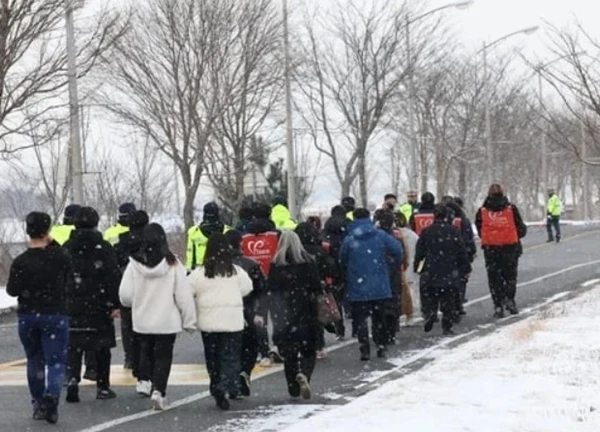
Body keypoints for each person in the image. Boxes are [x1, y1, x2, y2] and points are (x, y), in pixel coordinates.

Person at [119, 223, 196, 411]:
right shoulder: (173, 264)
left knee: (146, 352)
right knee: (163, 356)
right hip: (166, 321)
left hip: (142, 320)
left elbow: (125, 295)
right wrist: (189, 321)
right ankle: (159, 390)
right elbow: (183, 295)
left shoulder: (134, 264)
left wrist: (136, 303)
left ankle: (145, 381)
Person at [7, 212, 71, 424]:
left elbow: (12, 290)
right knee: (56, 361)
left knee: (34, 360)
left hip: (28, 315)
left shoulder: (20, 261)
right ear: (47, 231)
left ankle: (38, 403)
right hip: (55, 313)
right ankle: (52, 395)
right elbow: (70, 270)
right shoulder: (60, 257)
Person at [63, 207, 121, 403]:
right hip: (99, 303)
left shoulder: (67, 247)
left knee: (73, 344)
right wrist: (114, 303)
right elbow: (113, 276)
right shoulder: (104, 248)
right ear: (96, 223)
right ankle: (103, 386)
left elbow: (61, 276)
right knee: (102, 346)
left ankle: (72, 379)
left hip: (73, 303)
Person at [189, 233, 253, 410]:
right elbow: (248, 287)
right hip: (232, 321)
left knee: (213, 357)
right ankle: (227, 384)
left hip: (209, 322)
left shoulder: (200, 273)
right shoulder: (235, 271)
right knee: (230, 356)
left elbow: (188, 289)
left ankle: (216, 384)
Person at [259, 231, 321, 399]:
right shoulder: (308, 262)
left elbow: (270, 290)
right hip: (306, 311)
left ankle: (293, 386)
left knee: (289, 353)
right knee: (309, 350)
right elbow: (317, 287)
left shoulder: (276, 265)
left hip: (284, 314)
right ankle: (305, 375)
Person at [339, 208, 403, 361]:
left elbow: (342, 260)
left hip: (358, 286)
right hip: (379, 284)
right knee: (379, 317)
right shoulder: (380, 235)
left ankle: (364, 349)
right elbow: (398, 251)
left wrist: (349, 273)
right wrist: (390, 267)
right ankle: (381, 345)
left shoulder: (349, 239)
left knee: (360, 319)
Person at [414, 205, 472, 336]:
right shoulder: (453, 231)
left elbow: (420, 251)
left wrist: (418, 266)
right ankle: (447, 326)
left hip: (431, 269)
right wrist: (465, 267)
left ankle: (430, 314)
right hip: (449, 270)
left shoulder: (426, 231)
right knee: (448, 300)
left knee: (431, 295)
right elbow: (461, 251)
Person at [224, 230, 267, 398]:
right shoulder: (250, 265)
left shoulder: (219, 266)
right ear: (240, 243)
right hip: (248, 310)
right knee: (250, 345)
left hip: (226, 311)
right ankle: (244, 372)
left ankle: (230, 379)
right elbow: (261, 291)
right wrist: (260, 312)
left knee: (229, 348)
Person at [476, 184, 528, 318]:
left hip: (491, 249)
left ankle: (498, 304)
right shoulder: (511, 208)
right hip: (510, 248)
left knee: (494, 278)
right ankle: (510, 299)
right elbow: (520, 228)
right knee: (510, 276)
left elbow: (479, 228)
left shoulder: (482, 211)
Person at [242, 202, 280, 366]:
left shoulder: (244, 237)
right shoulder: (276, 235)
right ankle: (278, 347)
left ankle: (263, 351)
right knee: (278, 316)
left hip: (253, 282)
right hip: (275, 280)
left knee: (258, 318)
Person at [295, 222, 339, 359]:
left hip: (298, 290)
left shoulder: (295, 252)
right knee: (317, 318)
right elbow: (331, 269)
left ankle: (302, 345)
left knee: (300, 318)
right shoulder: (320, 251)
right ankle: (319, 346)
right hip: (317, 289)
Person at [114, 210, 150, 373]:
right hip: (149, 288)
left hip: (126, 286)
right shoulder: (152, 242)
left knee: (127, 324)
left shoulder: (121, 243)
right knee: (147, 323)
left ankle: (130, 357)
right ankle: (145, 356)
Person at [376, 211, 410, 344]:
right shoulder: (396, 236)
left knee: (380, 302)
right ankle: (392, 329)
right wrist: (398, 266)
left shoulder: (375, 236)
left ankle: (381, 329)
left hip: (378, 272)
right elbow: (402, 254)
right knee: (394, 299)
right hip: (394, 272)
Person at [441, 196, 477, 317]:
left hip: (445, 254)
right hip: (461, 253)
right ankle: (458, 303)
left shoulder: (442, 221)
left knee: (447, 280)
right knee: (460, 279)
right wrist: (471, 251)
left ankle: (449, 304)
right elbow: (469, 237)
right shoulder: (462, 220)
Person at [323, 205, 351, 339]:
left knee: (336, 299)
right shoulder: (348, 228)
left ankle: (339, 329)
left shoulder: (326, 229)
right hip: (348, 265)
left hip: (332, 267)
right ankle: (356, 325)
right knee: (351, 294)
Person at [186, 202, 231, 271]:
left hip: (200, 271)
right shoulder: (227, 231)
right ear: (218, 214)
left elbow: (190, 255)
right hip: (223, 271)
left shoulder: (194, 232)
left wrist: (189, 272)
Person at [396, 211, 420, 322]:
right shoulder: (412, 234)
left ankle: (402, 311)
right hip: (411, 264)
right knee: (411, 289)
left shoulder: (392, 235)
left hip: (399, 267)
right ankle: (411, 312)